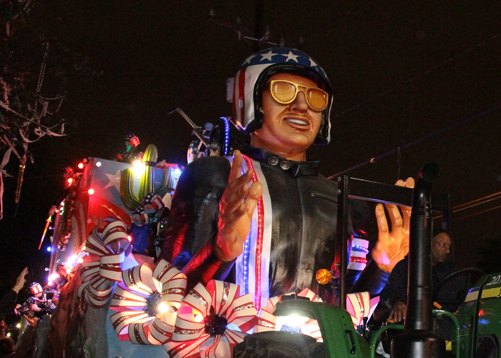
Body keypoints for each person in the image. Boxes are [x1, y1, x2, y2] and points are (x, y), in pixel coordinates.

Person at [160, 48, 411, 307]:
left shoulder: (346, 203)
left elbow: (346, 310)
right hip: (229, 345)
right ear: (252, 101)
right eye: (283, 90)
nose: (302, 106)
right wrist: (219, 253)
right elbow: (170, 294)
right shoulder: (215, 175)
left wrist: (381, 268)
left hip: (319, 346)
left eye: (315, 98)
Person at [380, 231, 467, 322]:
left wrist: (463, 307)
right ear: (428, 243)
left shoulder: (454, 272)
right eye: (442, 245)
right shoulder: (406, 267)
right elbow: (388, 293)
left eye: (448, 246)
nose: (447, 251)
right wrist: (397, 302)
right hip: (412, 322)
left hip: (449, 323)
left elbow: (466, 293)